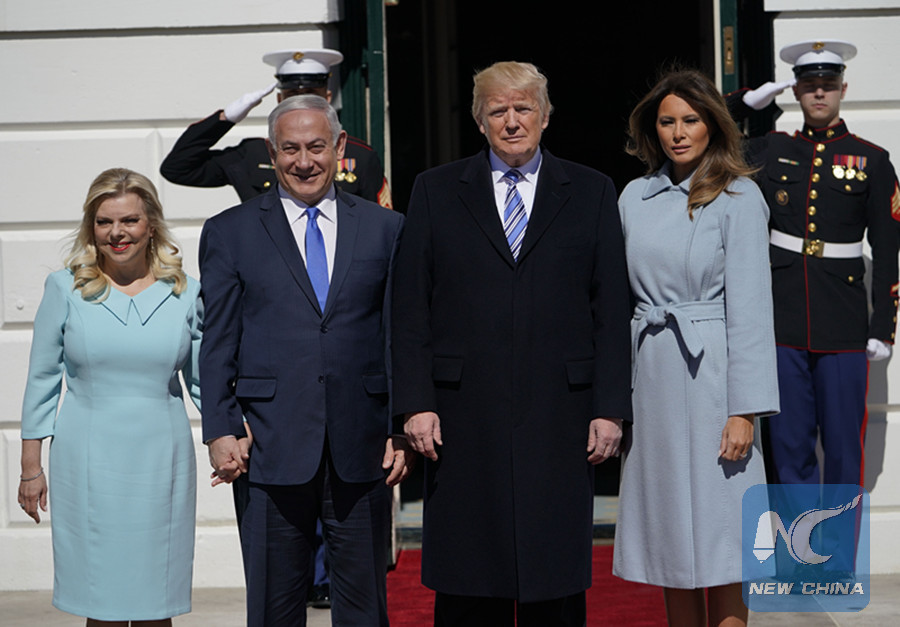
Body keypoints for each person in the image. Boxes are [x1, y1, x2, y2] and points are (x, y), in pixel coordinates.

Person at [391, 61, 632, 626]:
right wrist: (415, 403)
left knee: (554, 573)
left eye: (524, 108)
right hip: (460, 414)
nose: (512, 121)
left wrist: (610, 408)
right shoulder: (435, 190)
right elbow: (410, 309)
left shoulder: (593, 191)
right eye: (498, 110)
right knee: (469, 575)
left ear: (546, 116)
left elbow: (611, 310)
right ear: (480, 121)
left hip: (561, 412)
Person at [199, 94, 411, 626]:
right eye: (290, 149)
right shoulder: (230, 231)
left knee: (364, 609)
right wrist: (221, 428)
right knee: (274, 607)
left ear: (338, 147)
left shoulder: (386, 229)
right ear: (273, 154)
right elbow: (218, 340)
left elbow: (398, 336)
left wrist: (400, 425)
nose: (304, 161)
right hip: (267, 446)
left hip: (363, 445)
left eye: (316, 147)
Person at [611, 69, 780, 627]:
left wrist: (744, 410)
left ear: (713, 125)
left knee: (726, 537)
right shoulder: (633, 197)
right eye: (667, 122)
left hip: (715, 380)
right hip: (652, 379)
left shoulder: (739, 196)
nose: (679, 133)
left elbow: (752, 311)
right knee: (670, 542)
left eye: (691, 120)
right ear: (652, 128)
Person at [18, 168, 202, 626]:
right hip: (88, 462)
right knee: (101, 602)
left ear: (151, 224)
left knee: (156, 601)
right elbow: (42, 379)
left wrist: (235, 436)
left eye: (129, 220)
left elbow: (205, 383)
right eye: (104, 222)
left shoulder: (186, 293)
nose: (117, 233)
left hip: (163, 460)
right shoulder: (64, 288)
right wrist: (30, 468)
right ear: (91, 227)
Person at [738, 40, 900, 487]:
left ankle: (841, 538)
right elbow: (709, 137)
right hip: (782, 319)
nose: (820, 93)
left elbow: (888, 250)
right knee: (788, 445)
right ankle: (798, 537)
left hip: (844, 322)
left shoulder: (872, 160)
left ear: (843, 89)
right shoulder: (771, 149)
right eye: (810, 86)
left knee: (845, 447)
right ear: (796, 91)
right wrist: (748, 105)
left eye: (828, 84)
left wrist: (883, 327)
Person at [161, 47, 392, 208]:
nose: (301, 104)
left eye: (311, 95)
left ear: (328, 98)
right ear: (280, 100)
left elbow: (379, 223)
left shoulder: (360, 156)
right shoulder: (252, 154)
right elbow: (177, 168)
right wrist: (226, 118)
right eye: (292, 96)